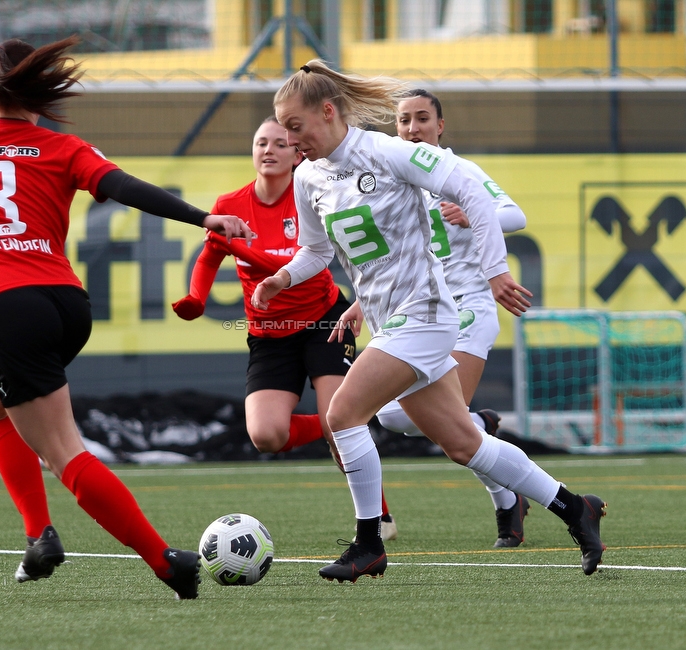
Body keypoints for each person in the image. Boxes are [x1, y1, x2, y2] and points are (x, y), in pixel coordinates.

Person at [252, 60, 607, 582]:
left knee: (343, 413)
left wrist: (494, 271)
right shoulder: (308, 177)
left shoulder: (384, 151)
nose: (288, 138)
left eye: (295, 125)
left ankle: (368, 543)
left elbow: (472, 190)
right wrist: (282, 278)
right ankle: (576, 508)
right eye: (283, 128)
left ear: (328, 112)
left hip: (427, 315)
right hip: (390, 321)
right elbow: (314, 251)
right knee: (464, 444)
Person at [0, 36, 253, 600]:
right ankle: (38, 535)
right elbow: (124, 188)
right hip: (66, 303)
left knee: (64, 451)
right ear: (41, 90)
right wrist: (202, 217)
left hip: (8, 304)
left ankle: (163, 560)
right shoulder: (62, 147)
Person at [171, 117, 397, 541]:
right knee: (266, 435)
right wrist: (196, 297)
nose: (269, 149)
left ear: (297, 154)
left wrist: (243, 249)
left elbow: (302, 265)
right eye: (260, 142)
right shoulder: (230, 203)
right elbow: (208, 256)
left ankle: (380, 517)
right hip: (269, 333)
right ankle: (336, 425)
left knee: (341, 421)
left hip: (324, 320)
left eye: (280, 143)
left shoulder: (309, 194)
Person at [369, 88, 531, 548]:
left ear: (440, 126)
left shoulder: (459, 171)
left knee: (448, 424)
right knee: (391, 415)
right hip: (418, 311)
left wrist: (472, 215)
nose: (413, 128)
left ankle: (507, 505)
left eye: (422, 118)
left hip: (468, 307)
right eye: (404, 120)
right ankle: (480, 428)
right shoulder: (394, 178)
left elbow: (514, 214)